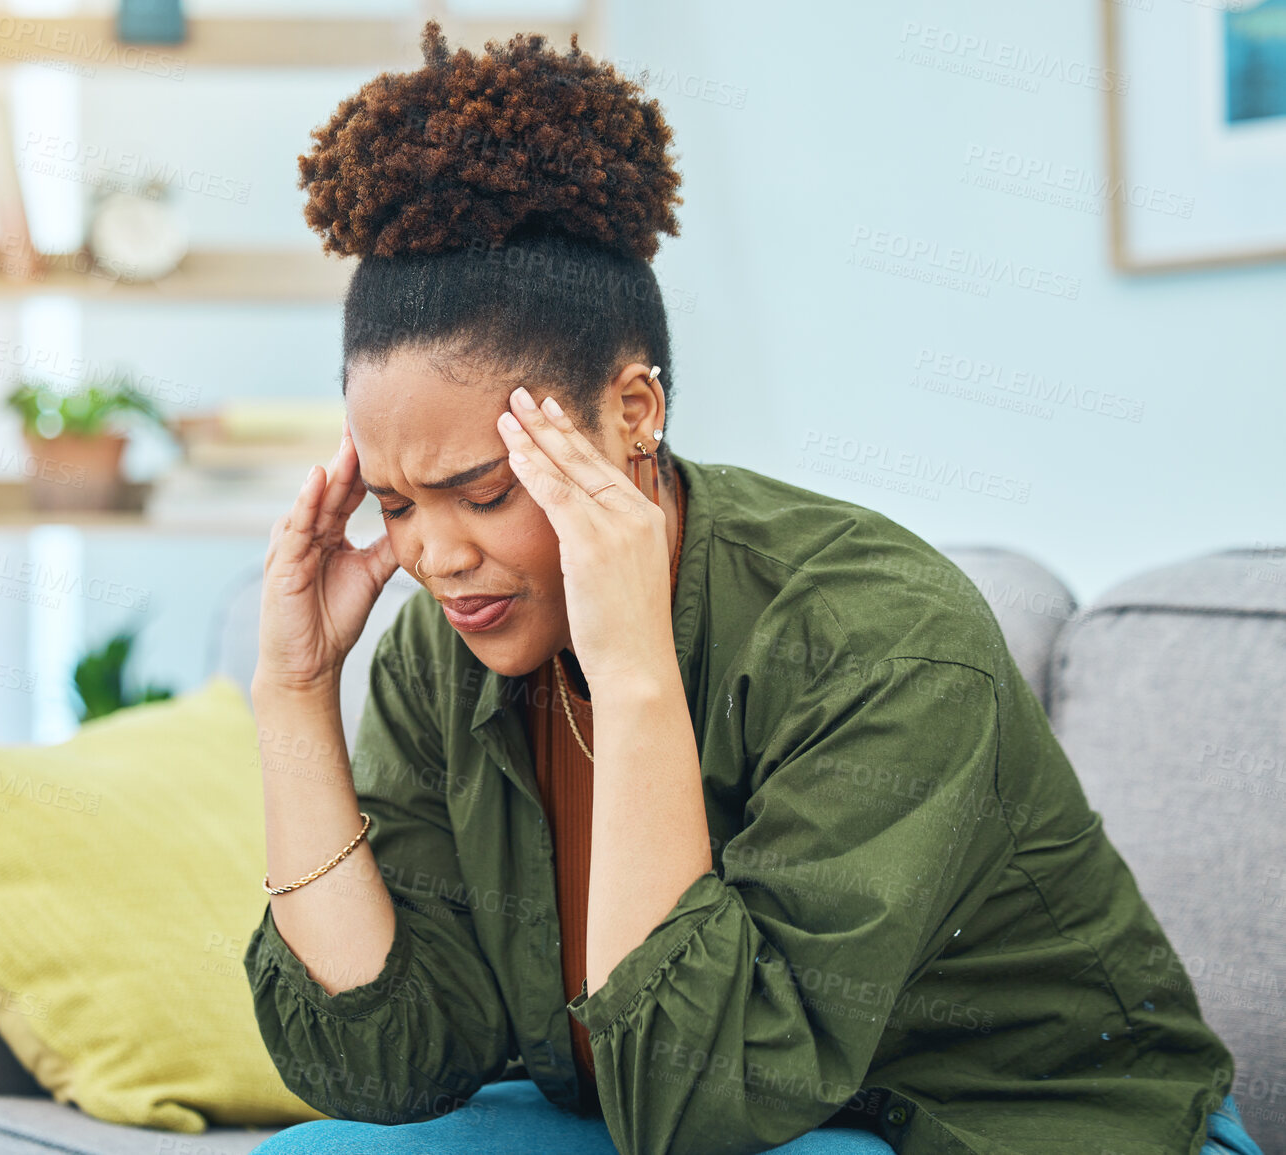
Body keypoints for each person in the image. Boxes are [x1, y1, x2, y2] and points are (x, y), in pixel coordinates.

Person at [240, 21, 1260, 1155]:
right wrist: (293, 694)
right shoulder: (451, 650)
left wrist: (633, 674)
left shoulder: (881, 640)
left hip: (1019, 1126)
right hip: (709, 1121)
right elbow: (384, 1062)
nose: (435, 557)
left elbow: (701, 1105)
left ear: (632, 412)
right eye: (395, 504)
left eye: (484, 492)